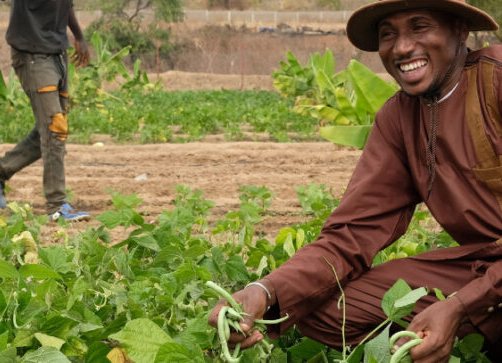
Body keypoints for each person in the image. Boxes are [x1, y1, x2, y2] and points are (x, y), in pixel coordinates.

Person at [208, 0, 502, 361]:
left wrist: (461, 305)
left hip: (488, 281)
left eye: (420, 26)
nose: (403, 47)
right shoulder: (398, 118)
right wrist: (266, 291)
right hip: (483, 268)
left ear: (459, 29)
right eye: (388, 34)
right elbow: (352, 233)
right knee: (325, 310)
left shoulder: (497, 79)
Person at [0, 0, 91, 221]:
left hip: (58, 52)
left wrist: (79, 36)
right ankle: (57, 205)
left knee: (50, 131)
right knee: (54, 129)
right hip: (33, 56)